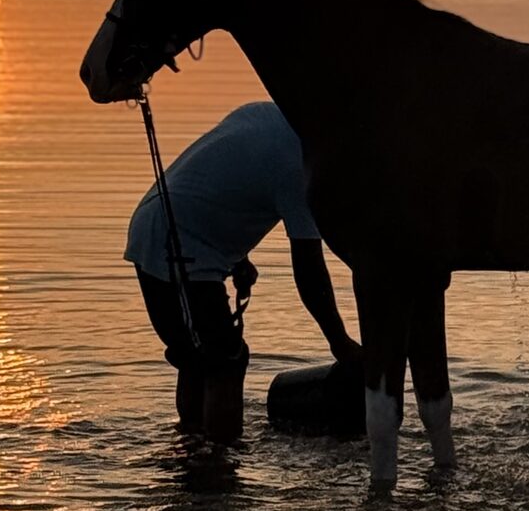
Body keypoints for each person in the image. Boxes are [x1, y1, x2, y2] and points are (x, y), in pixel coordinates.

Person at [127, 101, 358, 441]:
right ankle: (220, 470)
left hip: (168, 229)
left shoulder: (270, 114)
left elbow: (221, 180)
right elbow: (310, 273)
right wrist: (342, 346)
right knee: (225, 361)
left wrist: (235, 258)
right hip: (174, 245)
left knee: (201, 358)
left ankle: (193, 453)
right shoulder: (303, 165)